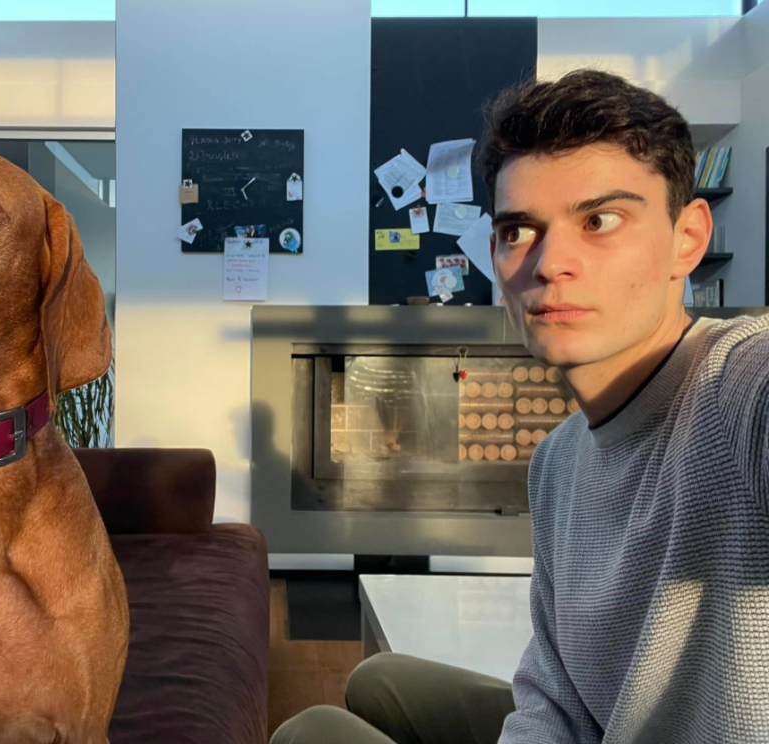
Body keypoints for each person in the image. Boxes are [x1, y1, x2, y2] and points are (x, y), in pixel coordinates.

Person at [271, 69, 769, 744]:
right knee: (375, 679)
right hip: (596, 726)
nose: (550, 263)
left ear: (688, 238)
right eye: (519, 231)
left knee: (313, 732)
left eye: (600, 220)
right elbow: (552, 693)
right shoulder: (557, 460)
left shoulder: (737, 388)